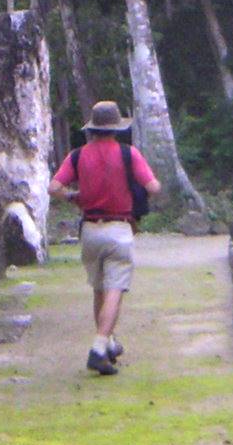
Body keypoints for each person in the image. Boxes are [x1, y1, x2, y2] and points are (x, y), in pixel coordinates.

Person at [48, 100, 162, 376]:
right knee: (115, 290)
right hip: (119, 228)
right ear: (116, 128)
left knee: (98, 288)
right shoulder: (128, 154)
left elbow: (54, 187)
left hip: (89, 229)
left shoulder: (77, 155)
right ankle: (99, 347)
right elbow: (153, 187)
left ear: (93, 128)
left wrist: (72, 196)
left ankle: (109, 342)